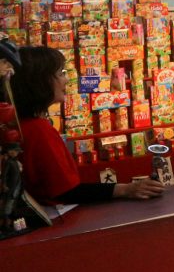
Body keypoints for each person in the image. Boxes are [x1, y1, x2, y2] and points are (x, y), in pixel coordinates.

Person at [3, 46, 163, 205]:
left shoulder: (18, 124)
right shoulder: (38, 130)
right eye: (60, 74)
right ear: (40, 82)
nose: (66, 80)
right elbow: (67, 191)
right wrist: (126, 190)